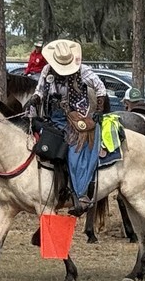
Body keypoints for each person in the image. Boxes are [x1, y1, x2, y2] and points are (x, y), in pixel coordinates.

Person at [33, 39, 108, 215]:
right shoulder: (47, 70)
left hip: (76, 117)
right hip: (52, 115)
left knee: (76, 152)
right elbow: (40, 89)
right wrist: (35, 98)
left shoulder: (83, 70)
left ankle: (80, 194)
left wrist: (98, 109)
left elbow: (101, 88)